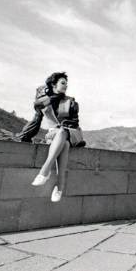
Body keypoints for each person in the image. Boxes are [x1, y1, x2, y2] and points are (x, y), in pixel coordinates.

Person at [31, 72, 84, 202]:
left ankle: (45, 170)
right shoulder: (44, 101)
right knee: (64, 144)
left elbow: (74, 122)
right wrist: (26, 135)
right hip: (53, 135)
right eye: (63, 83)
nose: (66, 86)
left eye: (66, 83)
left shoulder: (70, 101)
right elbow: (36, 120)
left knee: (61, 133)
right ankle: (59, 187)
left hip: (72, 133)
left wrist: (62, 127)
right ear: (54, 84)